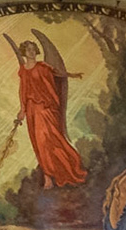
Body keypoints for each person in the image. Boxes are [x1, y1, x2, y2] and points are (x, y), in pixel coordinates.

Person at [13, 35, 88, 188]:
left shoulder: (42, 67)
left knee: (51, 141)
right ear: (24, 52)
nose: (32, 52)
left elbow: (58, 74)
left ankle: (68, 168)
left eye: (34, 50)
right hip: (33, 111)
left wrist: (72, 75)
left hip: (46, 109)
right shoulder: (23, 71)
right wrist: (22, 110)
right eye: (29, 50)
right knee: (39, 144)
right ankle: (48, 178)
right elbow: (23, 91)